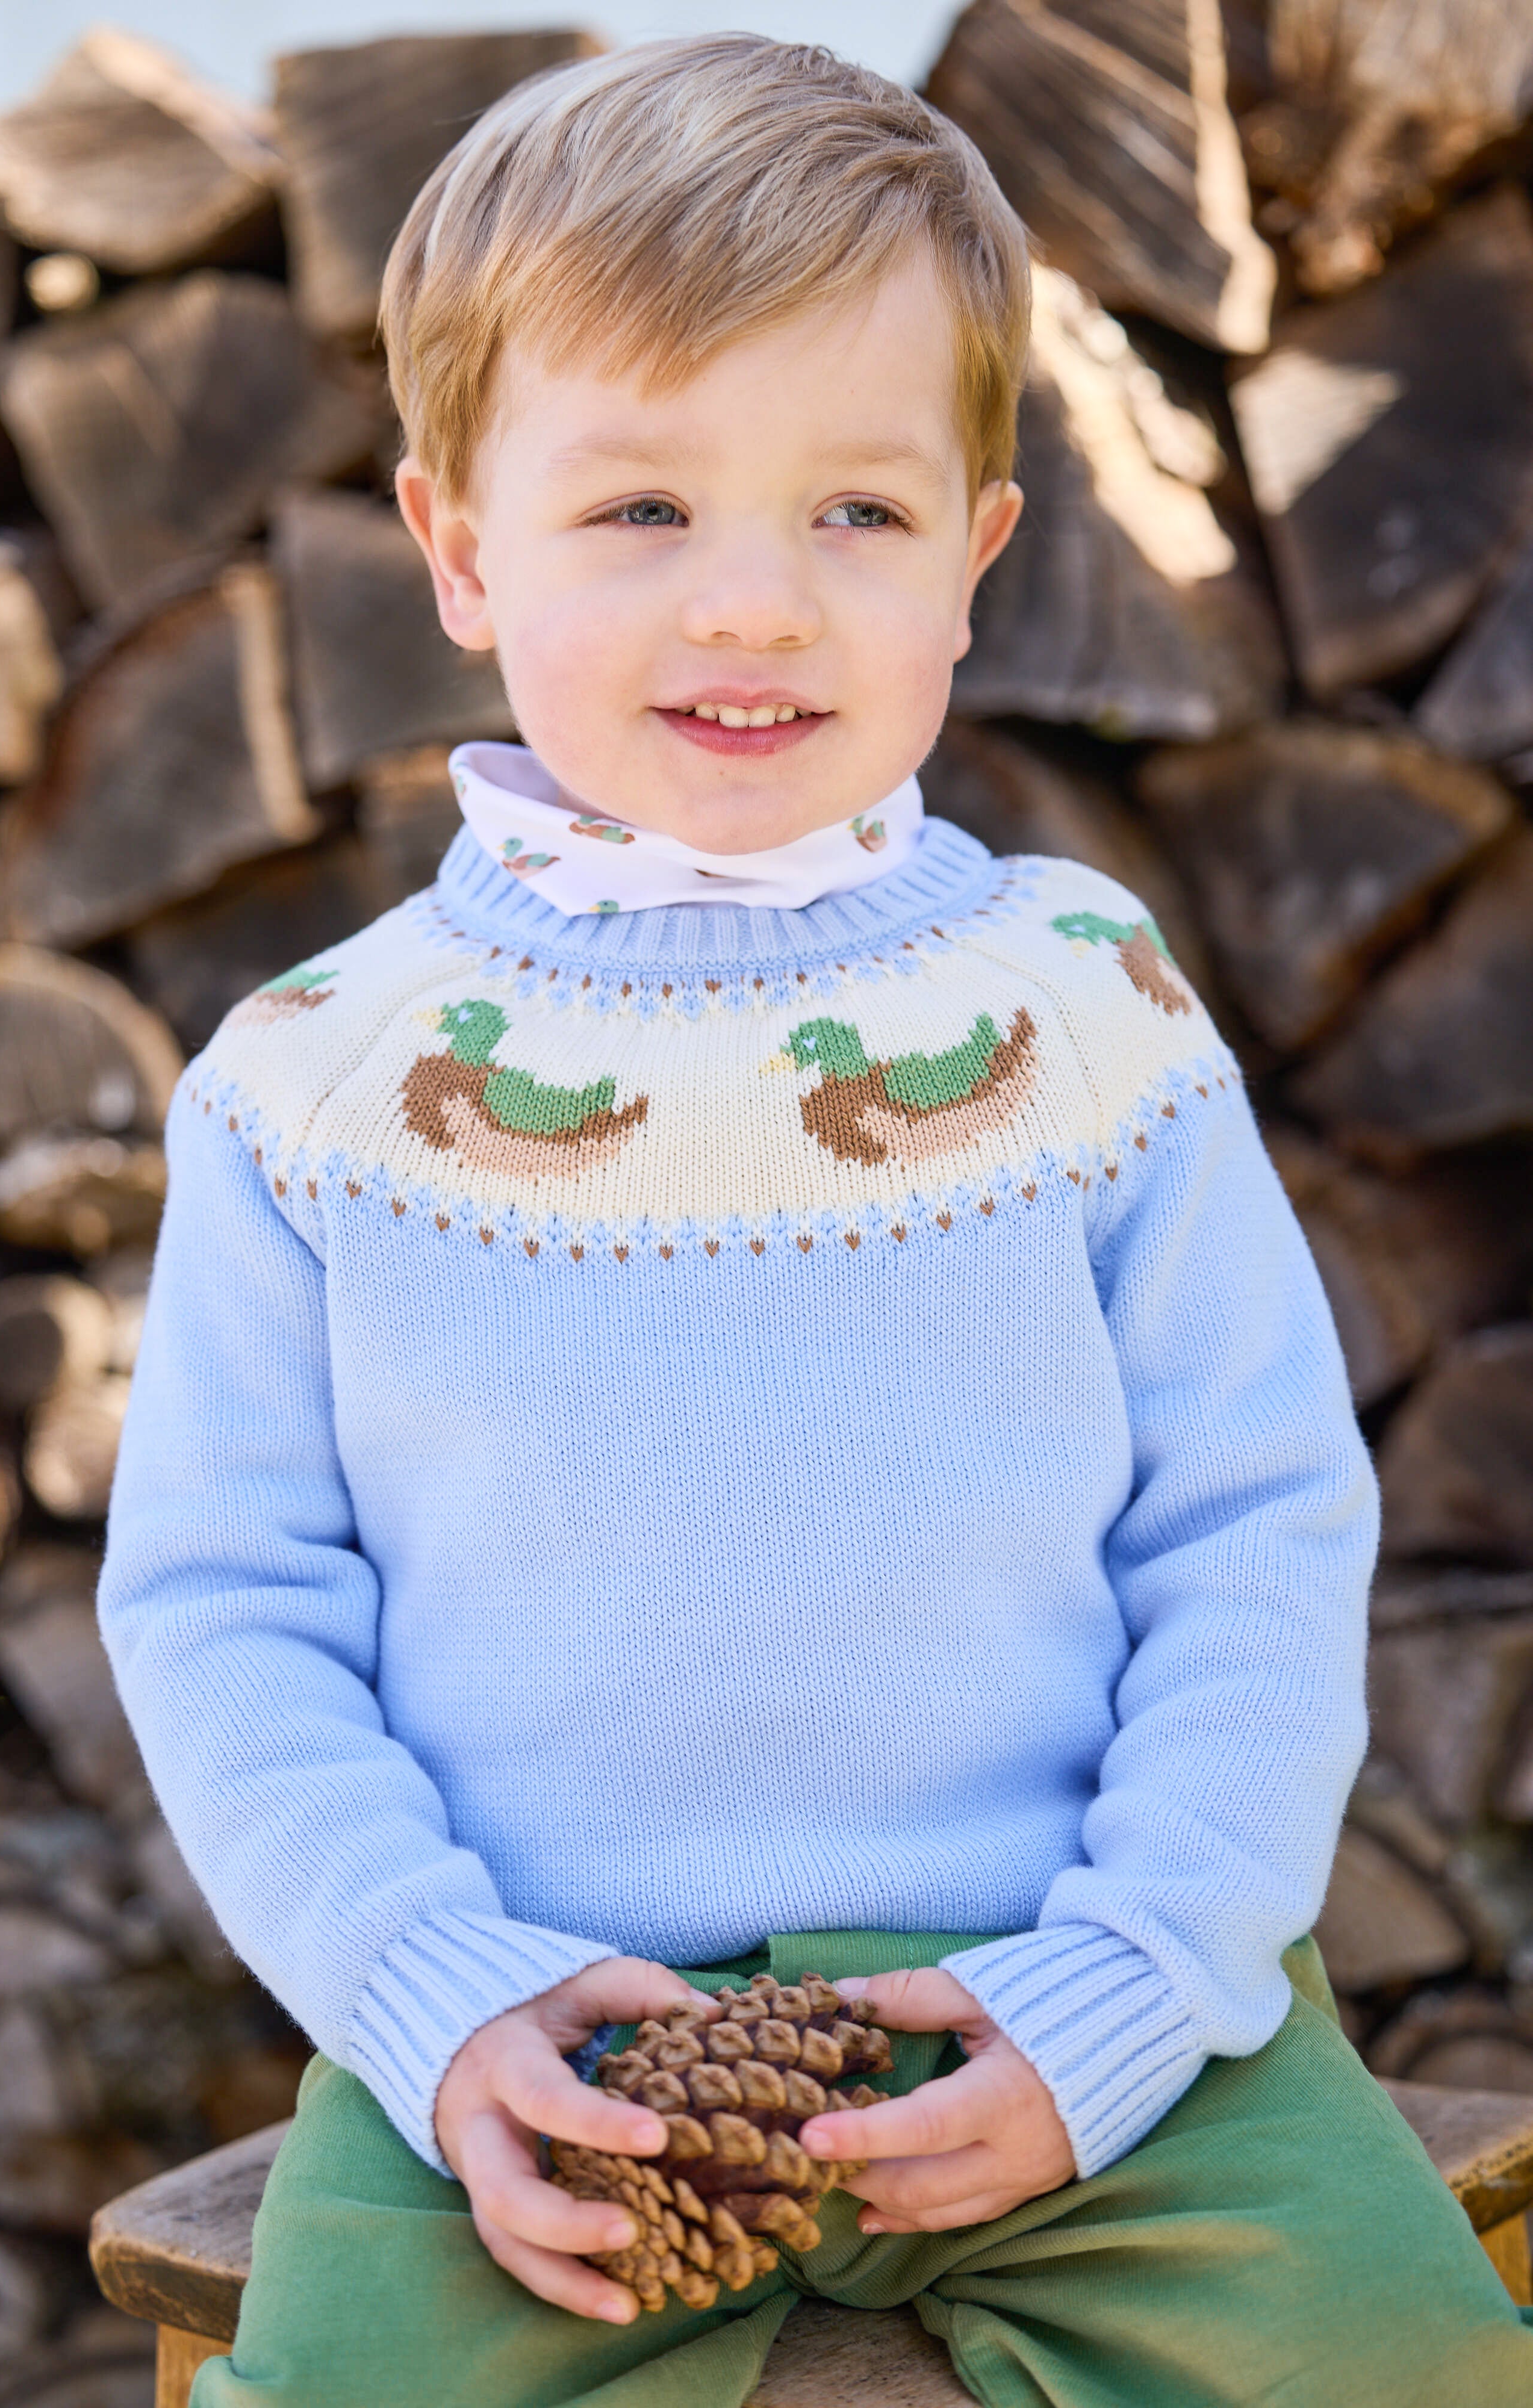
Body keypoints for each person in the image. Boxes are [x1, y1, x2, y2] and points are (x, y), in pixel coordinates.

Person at [96, 34, 1533, 2406]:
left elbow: (1256, 1529)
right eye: (639, 508)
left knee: (1414, 2372)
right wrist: (431, 1995)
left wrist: (1136, 1981)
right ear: (458, 548)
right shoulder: (318, 1087)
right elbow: (227, 1605)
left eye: (855, 515)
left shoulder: (1078, 1012)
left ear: (978, 555)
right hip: (537, 2051)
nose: (753, 605)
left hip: (1090, 2015)